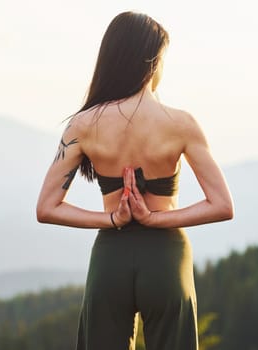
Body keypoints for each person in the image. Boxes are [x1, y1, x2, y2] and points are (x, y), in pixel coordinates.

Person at [36, 11, 233, 350]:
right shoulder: (181, 123)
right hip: (166, 257)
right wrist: (156, 218)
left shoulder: (82, 126)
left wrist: (112, 219)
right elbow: (222, 205)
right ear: (152, 62)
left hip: (111, 255)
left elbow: (46, 208)